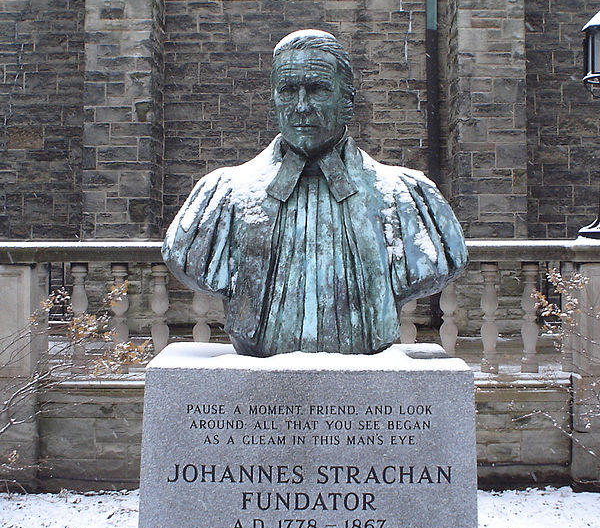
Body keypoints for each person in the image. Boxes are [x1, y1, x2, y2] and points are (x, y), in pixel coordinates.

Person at [162, 30, 467, 356]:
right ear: (274, 100)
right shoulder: (222, 196)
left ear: (347, 101)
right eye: (289, 91)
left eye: (318, 89)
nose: (302, 106)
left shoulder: (406, 197)